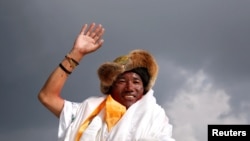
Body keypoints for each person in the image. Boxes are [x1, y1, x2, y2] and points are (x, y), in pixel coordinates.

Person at [38, 22, 175, 141]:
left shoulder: (155, 117)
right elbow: (47, 97)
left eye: (136, 81)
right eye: (122, 80)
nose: (129, 87)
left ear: (144, 88)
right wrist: (76, 54)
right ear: (111, 85)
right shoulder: (87, 112)